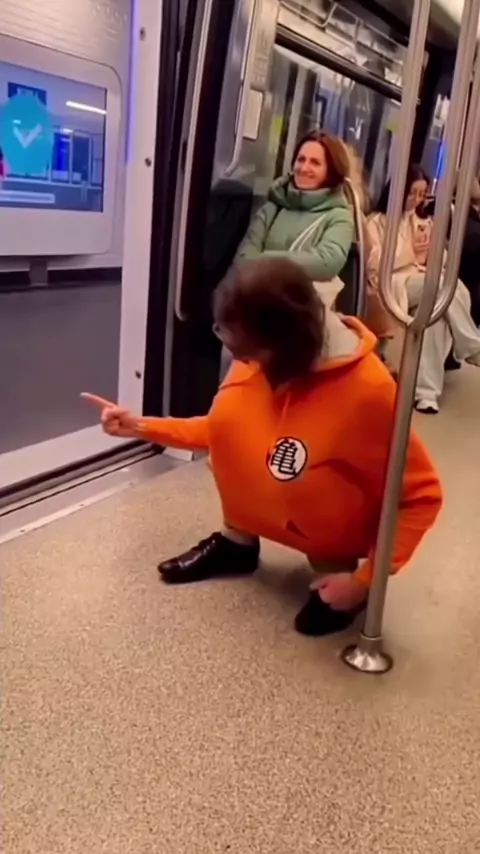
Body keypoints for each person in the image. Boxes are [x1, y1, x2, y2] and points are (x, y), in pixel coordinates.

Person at [83, 258, 442, 638]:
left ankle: (338, 576)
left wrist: (363, 581)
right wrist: (140, 426)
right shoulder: (255, 353)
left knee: (324, 583)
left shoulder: (369, 392)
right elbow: (223, 430)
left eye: (247, 352)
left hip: (326, 541)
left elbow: (422, 496)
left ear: (286, 343)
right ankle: (238, 545)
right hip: (248, 513)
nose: (239, 359)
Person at [367, 164, 480, 414]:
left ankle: (425, 393)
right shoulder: (377, 222)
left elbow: (443, 260)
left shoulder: (423, 221)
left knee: (435, 313)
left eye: (422, 194)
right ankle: (471, 345)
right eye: (413, 193)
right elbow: (375, 262)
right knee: (439, 287)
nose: (417, 200)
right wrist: (412, 253)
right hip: (392, 283)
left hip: (420, 278)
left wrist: (432, 252)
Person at [237, 130, 355, 305]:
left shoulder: (338, 217)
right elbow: (244, 258)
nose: (304, 168)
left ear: (331, 172)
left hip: (304, 310)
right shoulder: (273, 208)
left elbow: (327, 262)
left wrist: (264, 261)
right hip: (257, 302)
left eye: (315, 163)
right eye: (301, 159)